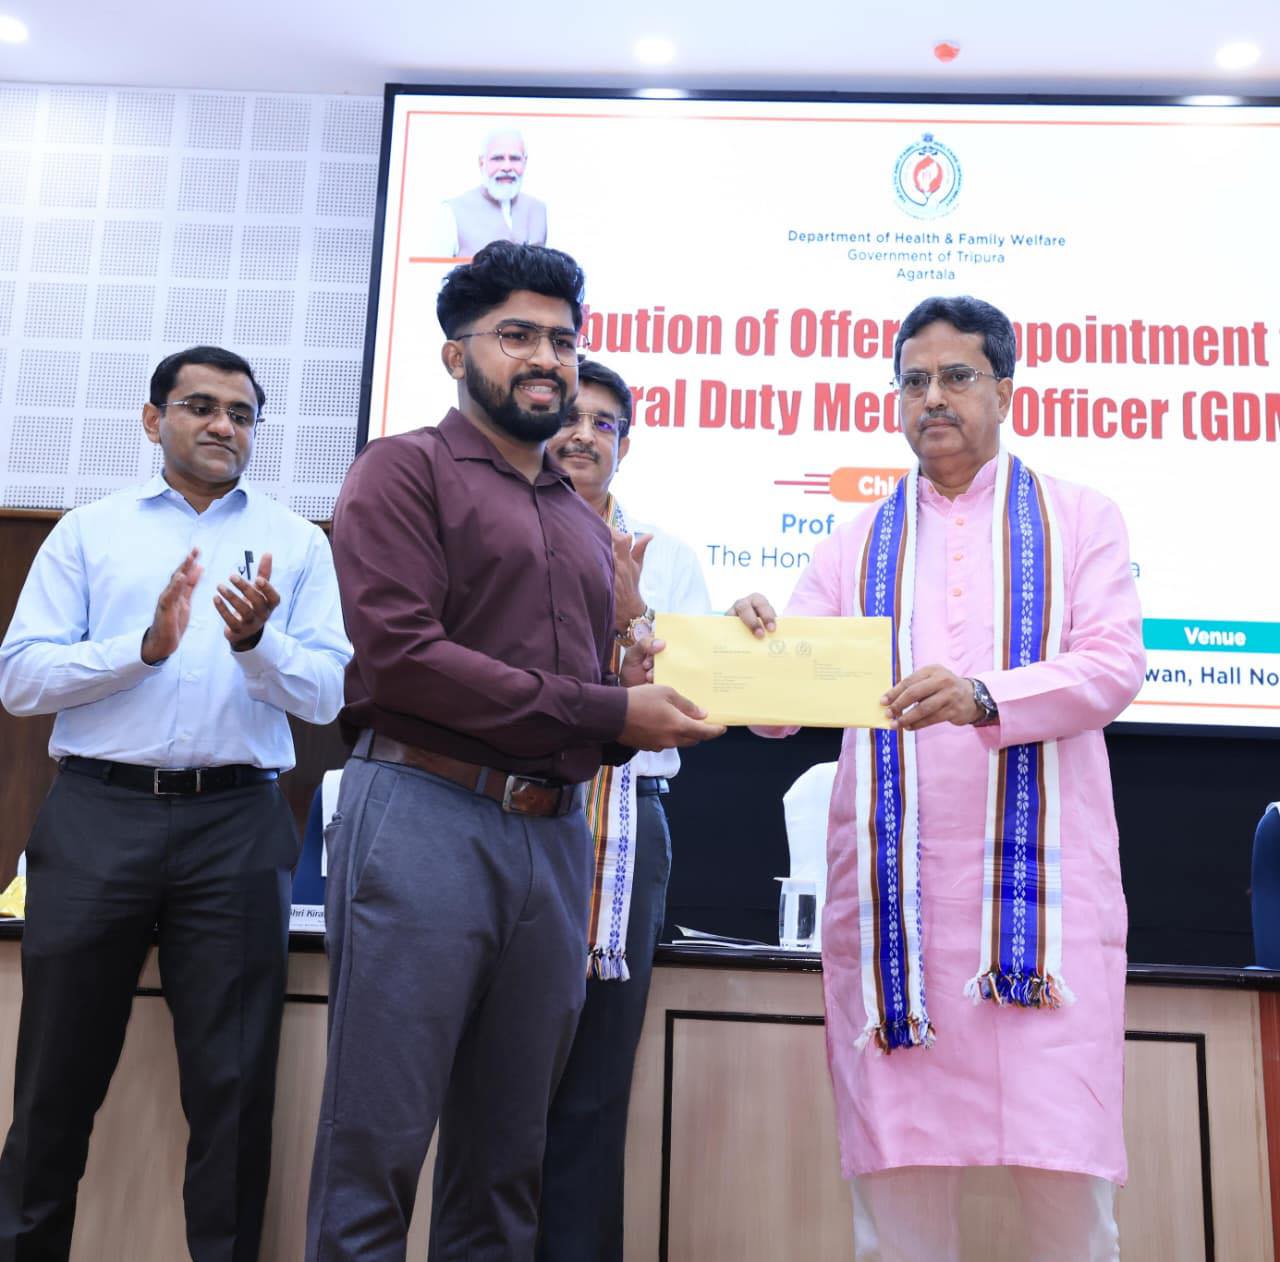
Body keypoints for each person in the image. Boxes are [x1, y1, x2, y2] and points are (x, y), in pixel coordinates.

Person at [305, 241, 722, 1261]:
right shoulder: (402, 469)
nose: (547, 358)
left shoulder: (579, 522)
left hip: (553, 839)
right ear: (457, 355)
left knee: (505, 1167)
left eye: (563, 341)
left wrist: (633, 675)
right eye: (518, 335)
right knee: (376, 1149)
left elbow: (579, 694)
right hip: (423, 815)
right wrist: (611, 707)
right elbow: (403, 661)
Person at [731, 295, 1145, 1262]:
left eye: (957, 376)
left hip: (1041, 918)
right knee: (897, 1210)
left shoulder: (1081, 519)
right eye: (913, 381)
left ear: (1005, 391)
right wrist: (749, 645)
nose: (933, 398)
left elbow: (1114, 665)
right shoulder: (852, 546)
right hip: (898, 922)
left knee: (1068, 1201)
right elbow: (775, 709)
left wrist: (982, 695)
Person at [0, 345, 351, 1262]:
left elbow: (325, 696)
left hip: (237, 825)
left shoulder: (297, 543)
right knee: (54, 1078)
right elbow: (21, 679)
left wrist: (256, 643)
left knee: (234, 1087)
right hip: (97, 813)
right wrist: (142, 650)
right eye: (200, 406)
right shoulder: (89, 532)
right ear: (154, 419)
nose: (223, 425)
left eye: (241, 413)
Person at [538, 358, 712, 1261]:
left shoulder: (667, 554)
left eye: (603, 423)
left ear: (625, 446)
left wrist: (636, 609)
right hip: (511, 813)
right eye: (568, 417)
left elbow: (697, 707)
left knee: (597, 1080)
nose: (582, 435)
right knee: (501, 1071)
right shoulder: (502, 533)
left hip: (626, 827)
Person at [436, 128, 549, 258]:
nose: (507, 167)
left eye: (514, 158)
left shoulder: (539, 209)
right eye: (497, 158)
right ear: (481, 163)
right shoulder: (452, 211)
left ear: (525, 162)